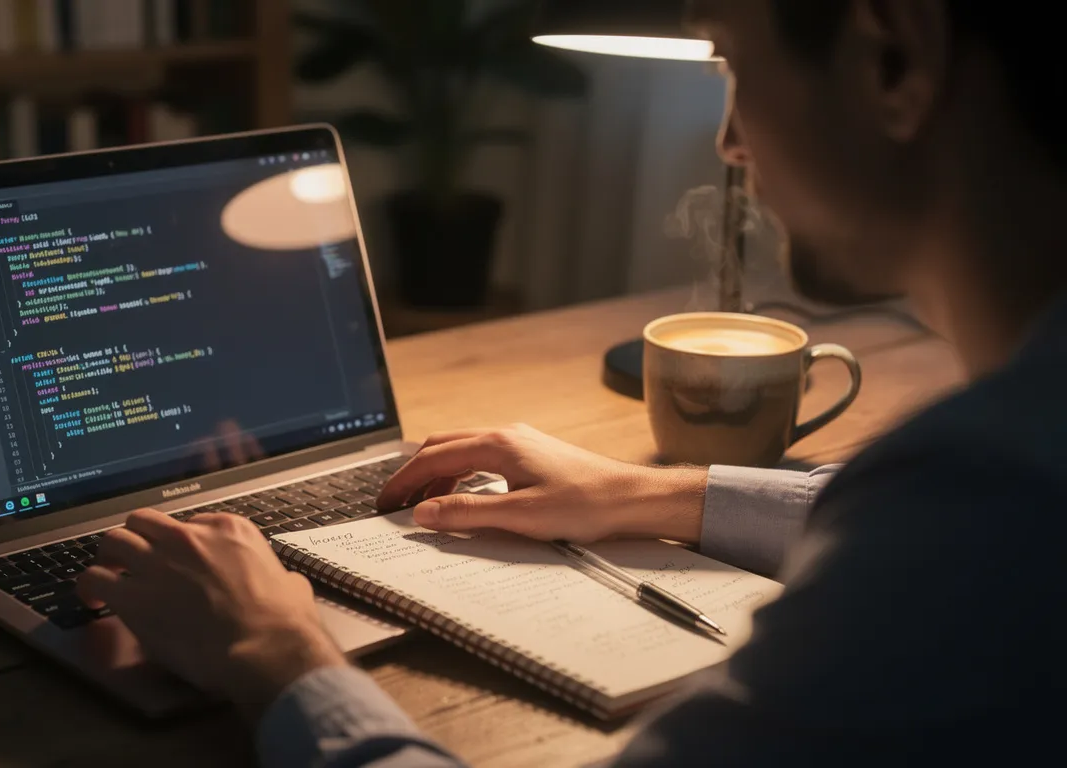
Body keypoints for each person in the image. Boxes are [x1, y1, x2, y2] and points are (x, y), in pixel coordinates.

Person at [75, 1, 1065, 764]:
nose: (728, 140)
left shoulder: (982, 501)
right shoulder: (995, 474)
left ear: (893, 55)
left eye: (727, 55)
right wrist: (657, 491)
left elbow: (959, 524)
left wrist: (275, 654)